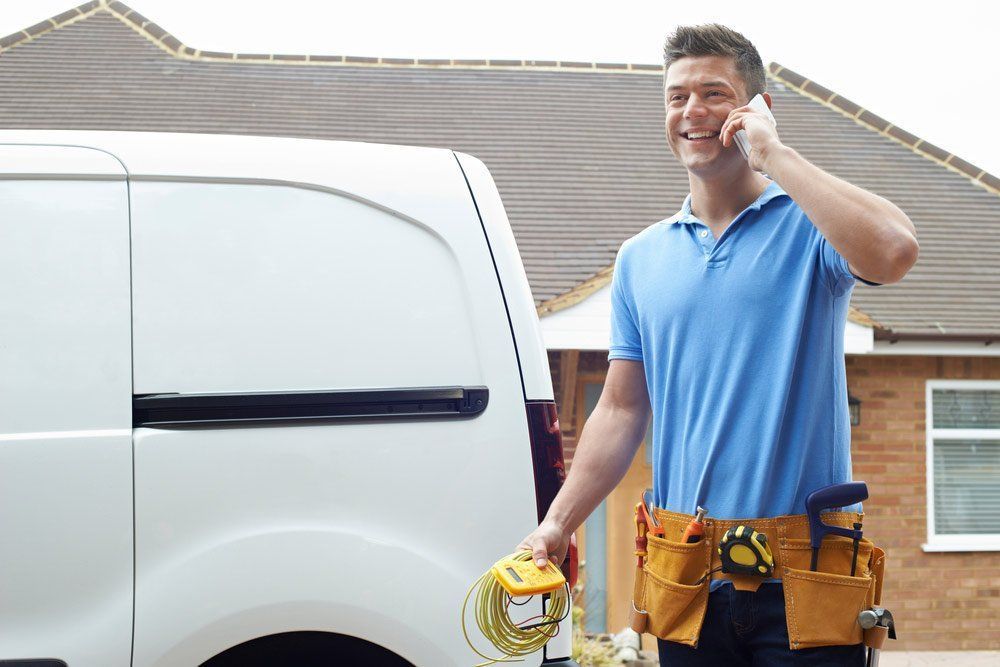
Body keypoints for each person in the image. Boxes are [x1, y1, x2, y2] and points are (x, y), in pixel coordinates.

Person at [516, 24, 918, 665]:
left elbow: (895, 250)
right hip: (688, 580)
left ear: (757, 109)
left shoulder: (810, 230)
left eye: (714, 93)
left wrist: (775, 155)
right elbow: (621, 410)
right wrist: (558, 522)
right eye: (677, 97)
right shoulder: (639, 259)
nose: (692, 111)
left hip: (805, 583)